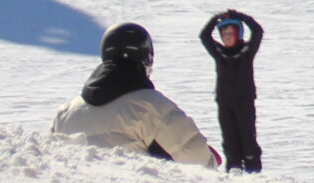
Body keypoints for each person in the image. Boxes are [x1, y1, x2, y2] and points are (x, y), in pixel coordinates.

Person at [51, 23, 219, 167]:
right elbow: (196, 162)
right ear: (146, 60)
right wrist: (211, 160)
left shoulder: (65, 113)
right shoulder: (150, 106)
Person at [198, 10, 264, 173]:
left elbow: (257, 31)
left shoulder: (246, 51)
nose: (226, 37)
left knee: (247, 137)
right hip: (224, 101)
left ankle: (252, 168)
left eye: (231, 33)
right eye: (223, 33)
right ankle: (233, 166)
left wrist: (240, 16)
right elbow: (204, 37)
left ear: (239, 33)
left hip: (244, 101)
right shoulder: (220, 53)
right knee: (229, 136)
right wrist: (215, 19)